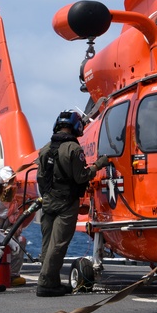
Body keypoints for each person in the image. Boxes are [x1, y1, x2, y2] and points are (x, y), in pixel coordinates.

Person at [36, 109, 108, 297]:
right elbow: (81, 176)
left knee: (47, 243)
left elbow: (41, 179)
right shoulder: (74, 149)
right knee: (58, 244)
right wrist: (98, 165)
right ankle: (46, 284)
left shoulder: (45, 149)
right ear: (76, 127)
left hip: (49, 201)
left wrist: (49, 196)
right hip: (66, 203)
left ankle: (51, 281)